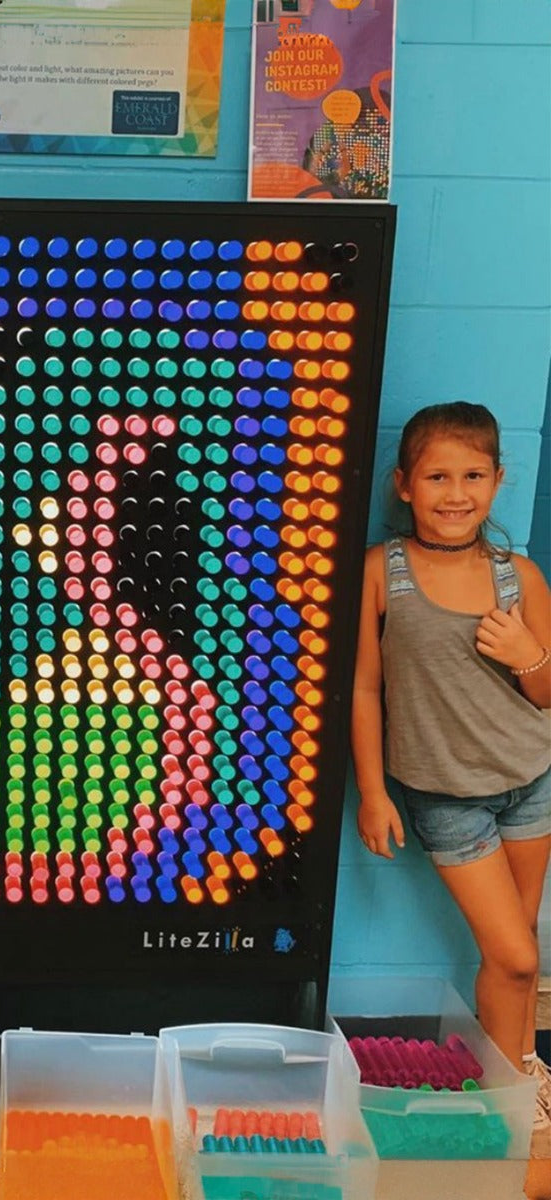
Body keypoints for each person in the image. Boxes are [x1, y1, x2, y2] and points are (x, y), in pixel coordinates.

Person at [351, 401, 551, 1134]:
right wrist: (374, 791)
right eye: (438, 476)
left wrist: (525, 653)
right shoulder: (383, 571)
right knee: (518, 956)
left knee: (516, 959)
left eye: (473, 475)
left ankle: (518, 1090)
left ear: (498, 481)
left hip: (530, 780)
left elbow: (546, 689)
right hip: (445, 797)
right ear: (404, 485)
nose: (456, 493)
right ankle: (516, 1096)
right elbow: (365, 688)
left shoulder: (517, 576)